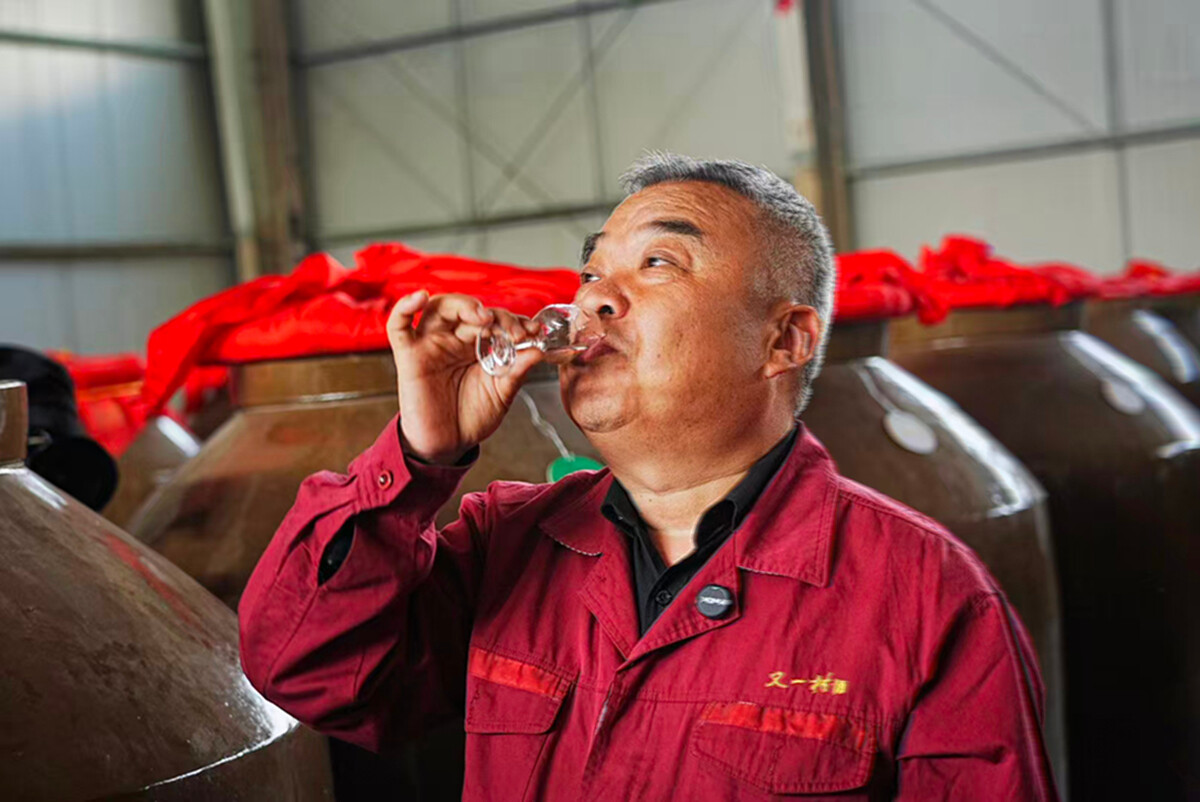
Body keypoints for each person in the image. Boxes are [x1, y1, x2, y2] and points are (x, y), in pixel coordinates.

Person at [239, 153, 1058, 800]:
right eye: (591, 273)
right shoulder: (508, 544)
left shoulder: (926, 596)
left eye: (658, 262)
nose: (595, 299)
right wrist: (419, 458)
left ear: (783, 341)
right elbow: (307, 672)